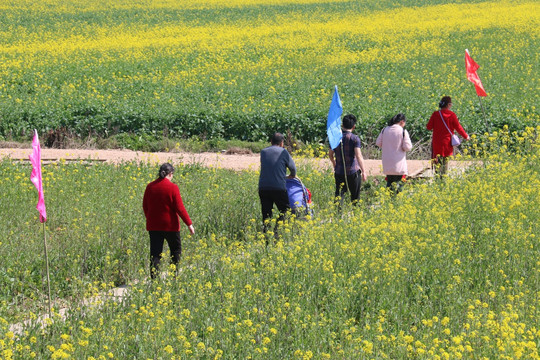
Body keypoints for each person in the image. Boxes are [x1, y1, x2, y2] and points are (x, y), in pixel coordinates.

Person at [143, 163, 195, 279]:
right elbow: (179, 208)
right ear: (170, 174)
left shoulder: (150, 186)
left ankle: (154, 279)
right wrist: (189, 224)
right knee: (175, 250)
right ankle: (173, 275)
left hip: (154, 226)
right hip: (170, 226)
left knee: (155, 253)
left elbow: (145, 206)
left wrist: (150, 218)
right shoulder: (173, 187)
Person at [258, 132, 296, 235]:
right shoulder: (284, 152)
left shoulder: (263, 152)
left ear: (271, 141)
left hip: (263, 187)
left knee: (266, 214)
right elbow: (293, 168)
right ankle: (276, 231)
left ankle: (266, 237)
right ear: (282, 143)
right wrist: (291, 175)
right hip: (278, 188)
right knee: (286, 211)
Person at [328, 114, 367, 206]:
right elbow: (358, 156)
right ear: (354, 126)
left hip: (339, 172)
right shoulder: (354, 139)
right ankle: (355, 214)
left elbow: (330, 154)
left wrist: (334, 164)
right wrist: (364, 171)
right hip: (353, 172)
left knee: (339, 195)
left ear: (342, 125)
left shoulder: (335, 138)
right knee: (355, 197)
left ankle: (337, 215)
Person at [427, 96, 470, 177]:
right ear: (449, 105)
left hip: (437, 142)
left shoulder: (435, 114)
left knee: (437, 160)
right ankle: (444, 177)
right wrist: (466, 136)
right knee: (445, 161)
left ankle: (437, 178)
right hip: (447, 142)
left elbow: (428, 127)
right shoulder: (452, 115)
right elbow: (458, 127)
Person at [376, 113, 413, 193]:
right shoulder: (402, 131)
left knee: (389, 182)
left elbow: (378, 143)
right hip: (398, 163)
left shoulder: (384, 130)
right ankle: (397, 200)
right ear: (402, 122)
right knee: (400, 184)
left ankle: (390, 200)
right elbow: (408, 147)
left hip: (387, 163)